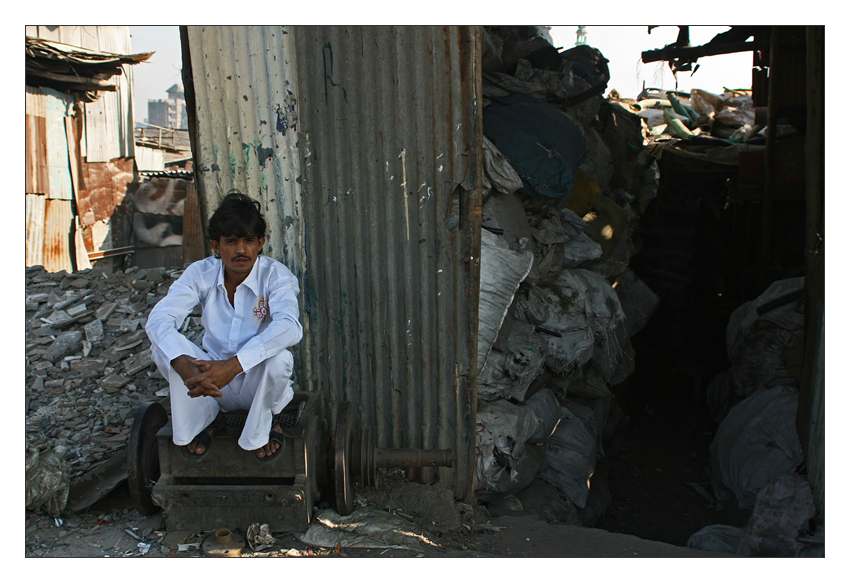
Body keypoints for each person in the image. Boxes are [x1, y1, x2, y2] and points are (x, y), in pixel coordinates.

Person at [145, 192, 303, 462]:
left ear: (260, 243)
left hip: (254, 381)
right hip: (210, 384)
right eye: (231, 242)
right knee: (163, 348)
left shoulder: (276, 276)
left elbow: (290, 327)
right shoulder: (200, 273)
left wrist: (234, 366)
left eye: (249, 241)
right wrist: (184, 367)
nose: (241, 250)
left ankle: (265, 425)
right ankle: (206, 419)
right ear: (216, 246)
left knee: (280, 359)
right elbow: (159, 319)